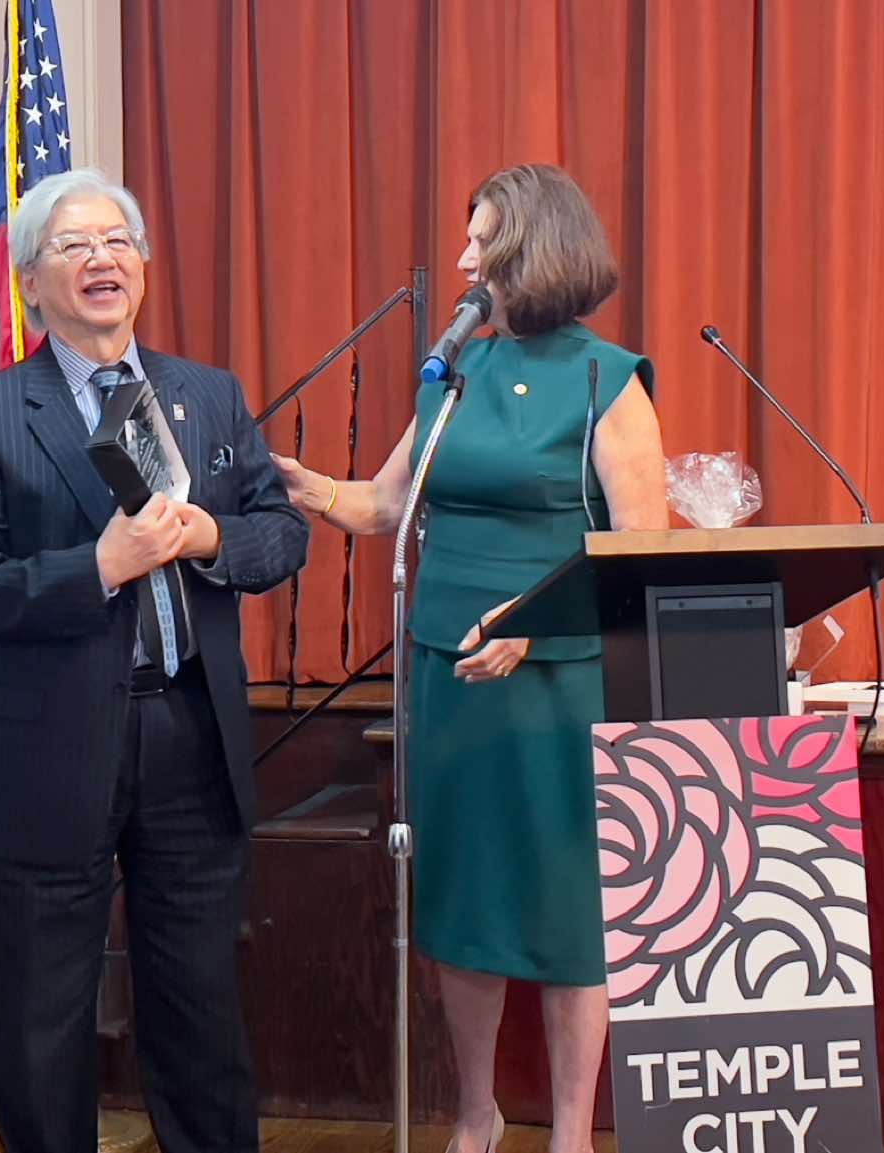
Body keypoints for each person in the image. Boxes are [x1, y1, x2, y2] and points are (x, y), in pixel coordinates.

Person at [272, 163, 667, 1153]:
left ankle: (571, 1131)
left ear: (529, 250)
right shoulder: (456, 375)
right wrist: (303, 486)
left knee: (570, 913)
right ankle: (474, 1114)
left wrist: (534, 622)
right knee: (464, 901)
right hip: (450, 681)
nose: (460, 261)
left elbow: (641, 554)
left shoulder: (607, 380)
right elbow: (383, 504)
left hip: (560, 682)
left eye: (479, 241)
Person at [0, 168, 308, 1153]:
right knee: (41, 1014)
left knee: (199, 1004)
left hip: (190, 732)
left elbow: (279, 533)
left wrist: (208, 537)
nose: (101, 259)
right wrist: (98, 566)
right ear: (30, 281)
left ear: (141, 265)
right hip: (49, 749)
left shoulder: (205, 396)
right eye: (74, 246)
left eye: (117, 242)